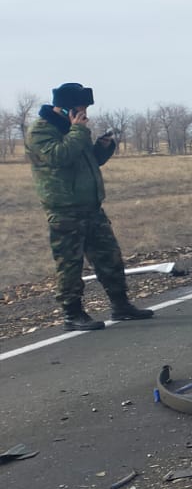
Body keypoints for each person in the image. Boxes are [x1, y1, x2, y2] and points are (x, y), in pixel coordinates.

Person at [25, 82, 155, 331]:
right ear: (65, 108)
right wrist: (77, 132)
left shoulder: (76, 130)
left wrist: (102, 148)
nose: (85, 112)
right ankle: (72, 314)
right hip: (64, 210)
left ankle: (121, 306)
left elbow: (88, 162)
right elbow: (58, 157)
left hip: (92, 207)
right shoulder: (41, 131)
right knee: (70, 264)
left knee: (110, 258)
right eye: (81, 107)